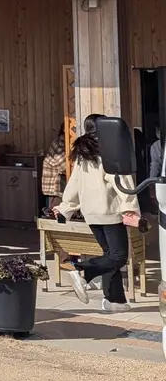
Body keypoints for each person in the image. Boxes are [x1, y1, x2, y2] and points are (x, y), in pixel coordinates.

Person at [55, 131, 140, 313]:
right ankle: (83, 272)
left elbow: (74, 184)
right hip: (110, 212)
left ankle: (114, 300)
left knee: (109, 256)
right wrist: (130, 209)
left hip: (90, 214)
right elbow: (121, 182)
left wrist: (66, 208)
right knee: (118, 256)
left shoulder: (83, 155)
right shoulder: (109, 154)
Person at [42, 127, 67, 216]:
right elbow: (65, 166)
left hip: (62, 186)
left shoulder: (66, 144)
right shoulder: (58, 144)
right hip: (56, 187)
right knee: (57, 214)